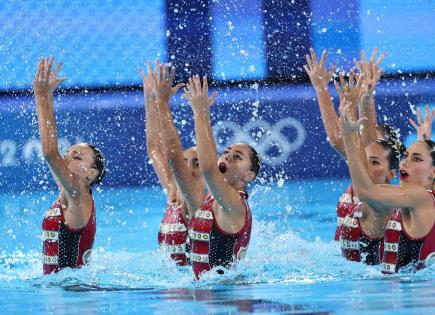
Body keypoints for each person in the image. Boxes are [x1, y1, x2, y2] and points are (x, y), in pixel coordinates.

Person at [304, 48, 396, 241]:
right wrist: (321, 88)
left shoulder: (384, 199)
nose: (365, 146)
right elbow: (339, 139)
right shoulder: (361, 171)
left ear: (391, 172)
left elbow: (363, 137)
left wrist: (365, 97)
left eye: (376, 160)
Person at [340, 102, 435, 273]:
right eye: (405, 156)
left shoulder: (419, 196)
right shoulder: (421, 198)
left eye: (416, 159)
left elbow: (366, 192)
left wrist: (348, 136)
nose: (404, 162)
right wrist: (423, 142)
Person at [183, 74, 260, 280]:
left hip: (227, 299)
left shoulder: (235, 203)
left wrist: (201, 112)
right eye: (227, 152)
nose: (228, 156)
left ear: (249, 176)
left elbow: (208, 168)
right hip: (210, 295)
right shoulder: (210, 199)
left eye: (238, 157)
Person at [34, 57, 105, 274]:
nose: (66, 159)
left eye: (76, 157)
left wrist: (42, 95)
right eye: (67, 154)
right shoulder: (66, 195)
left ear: (91, 174)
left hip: (76, 294)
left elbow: (49, 152)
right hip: (67, 292)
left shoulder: (79, 195)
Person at [139, 60, 206, 266]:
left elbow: (171, 155)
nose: (188, 167)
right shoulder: (172, 192)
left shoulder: (199, 202)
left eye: (197, 164)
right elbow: (155, 149)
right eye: (186, 161)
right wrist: (150, 98)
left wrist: (162, 102)